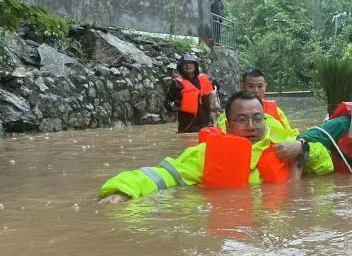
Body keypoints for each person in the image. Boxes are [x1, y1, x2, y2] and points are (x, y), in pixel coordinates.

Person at [99, 92, 333, 203]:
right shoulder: (208, 155)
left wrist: (302, 147)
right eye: (242, 120)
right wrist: (121, 191)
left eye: (257, 118)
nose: (251, 126)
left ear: (265, 120)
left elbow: (326, 165)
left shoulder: (283, 148)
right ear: (228, 125)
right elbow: (162, 175)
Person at [217, 69, 297, 141]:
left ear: (265, 86)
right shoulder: (231, 113)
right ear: (243, 87)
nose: (256, 90)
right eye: (251, 86)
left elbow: (290, 135)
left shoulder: (277, 112)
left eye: (260, 86)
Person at [165, 53, 213, 133]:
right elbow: (167, 103)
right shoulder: (177, 84)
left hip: (206, 124)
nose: (188, 65)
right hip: (188, 126)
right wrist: (174, 106)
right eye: (185, 64)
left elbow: (214, 95)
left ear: (195, 65)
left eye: (191, 63)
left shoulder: (205, 79)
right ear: (181, 67)